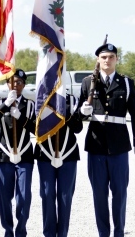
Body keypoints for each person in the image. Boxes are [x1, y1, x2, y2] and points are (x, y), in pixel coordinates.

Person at [78, 43, 135, 237]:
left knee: (120, 194)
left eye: (111, 57)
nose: (107, 60)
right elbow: (78, 116)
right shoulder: (88, 82)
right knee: (99, 195)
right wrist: (82, 113)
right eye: (104, 57)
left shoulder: (125, 83)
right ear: (98, 60)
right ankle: (103, 233)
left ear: (116, 59)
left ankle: (119, 233)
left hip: (119, 146)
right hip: (96, 145)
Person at [0, 69, 35, 237]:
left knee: (24, 197)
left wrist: (20, 117)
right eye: (12, 82)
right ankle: (8, 230)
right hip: (4, 155)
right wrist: (6, 104)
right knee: (4, 197)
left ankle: (21, 230)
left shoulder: (30, 105)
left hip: (25, 156)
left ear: (24, 85)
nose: (16, 86)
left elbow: (36, 129)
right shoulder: (0, 102)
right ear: (7, 84)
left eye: (19, 83)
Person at [34, 93, 83, 237]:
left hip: (68, 152)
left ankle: (62, 233)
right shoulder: (40, 98)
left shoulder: (72, 100)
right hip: (45, 152)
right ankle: (49, 233)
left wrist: (65, 113)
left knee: (65, 195)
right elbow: (34, 128)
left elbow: (78, 128)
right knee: (47, 194)